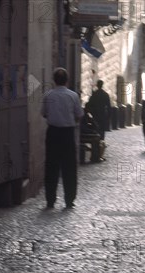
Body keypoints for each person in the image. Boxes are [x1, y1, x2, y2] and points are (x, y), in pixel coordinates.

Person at [41, 67, 83, 209]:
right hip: (67, 134)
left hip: (53, 133)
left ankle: (50, 200)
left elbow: (44, 114)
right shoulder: (73, 96)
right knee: (69, 167)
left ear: (54, 80)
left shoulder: (48, 95)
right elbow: (79, 115)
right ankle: (69, 199)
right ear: (67, 80)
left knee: (51, 166)